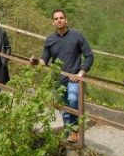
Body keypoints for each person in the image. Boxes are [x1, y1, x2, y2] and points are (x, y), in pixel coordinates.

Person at [32, 9, 94, 143]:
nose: (59, 20)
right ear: (52, 22)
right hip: (57, 80)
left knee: (72, 99)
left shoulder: (77, 36)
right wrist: (36, 62)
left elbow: (89, 56)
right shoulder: (50, 40)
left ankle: (74, 131)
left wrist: (80, 73)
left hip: (74, 78)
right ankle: (68, 134)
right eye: (56, 18)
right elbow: (44, 60)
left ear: (66, 20)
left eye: (61, 18)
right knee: (64, 108)